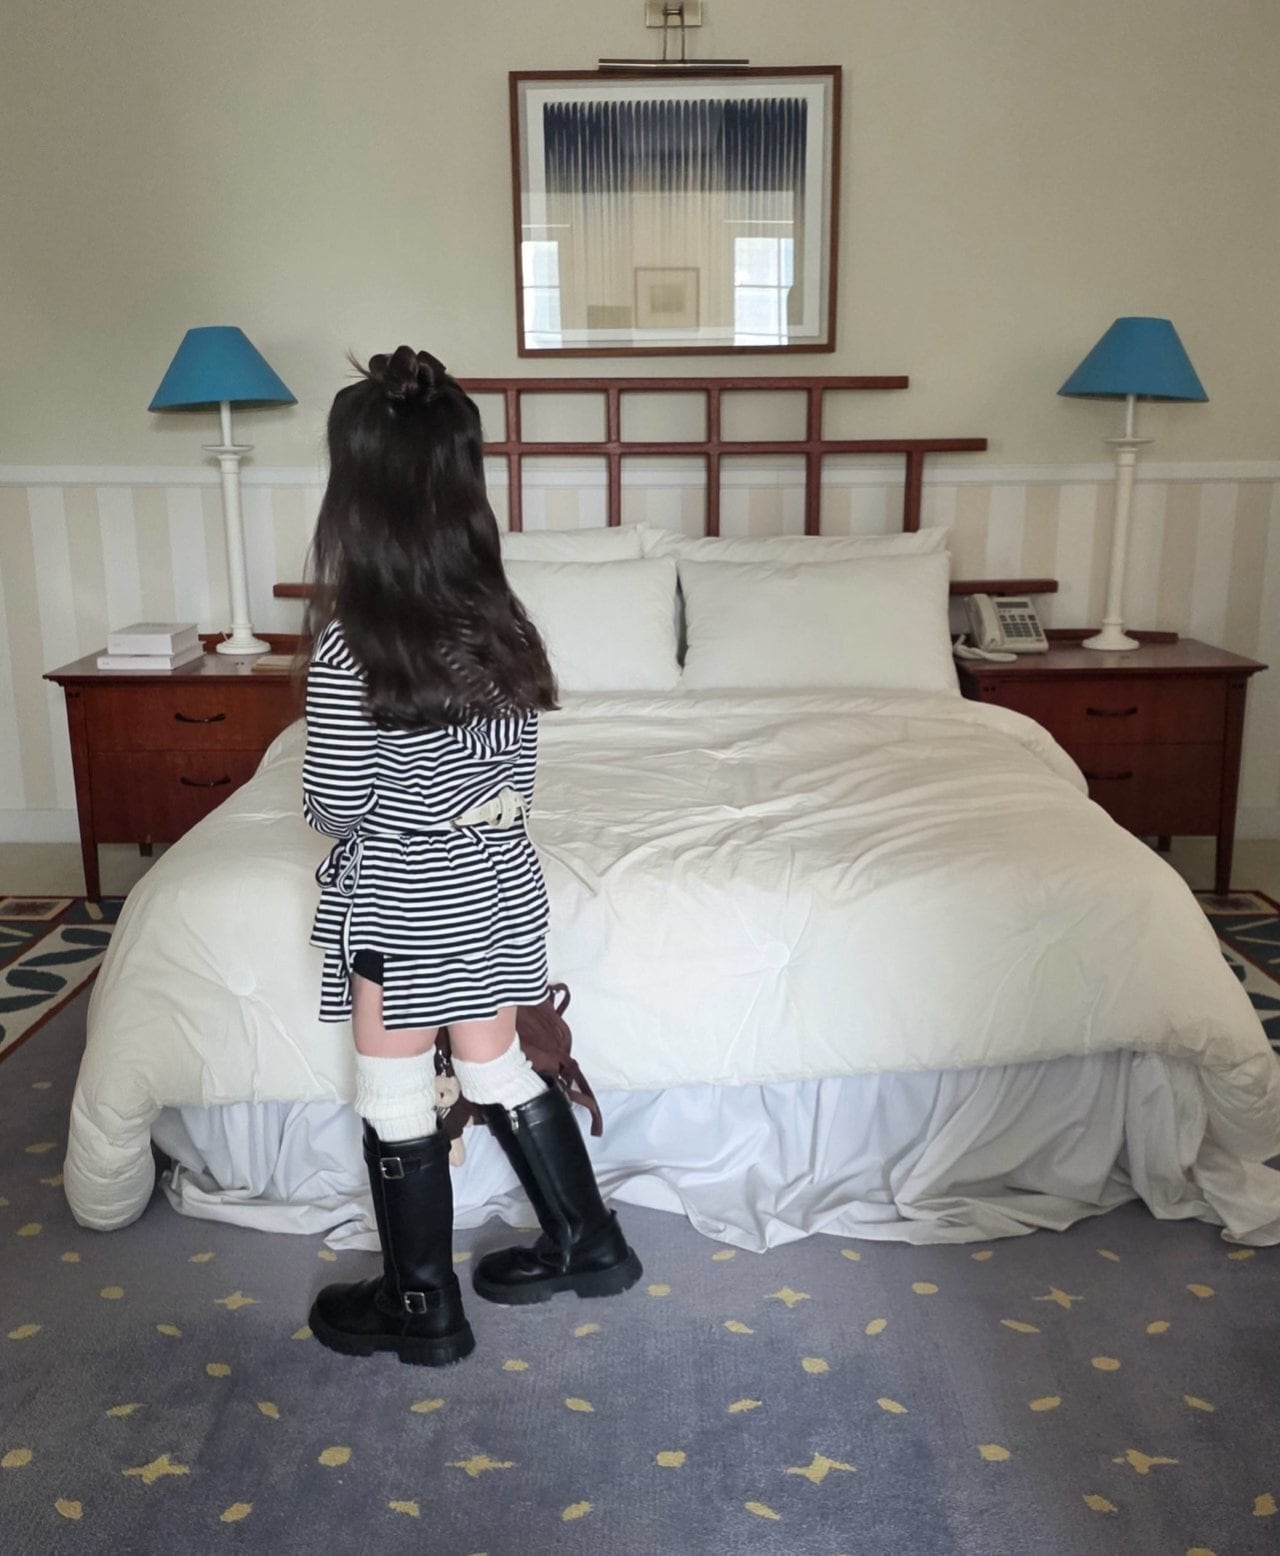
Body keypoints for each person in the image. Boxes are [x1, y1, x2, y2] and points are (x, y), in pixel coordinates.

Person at [300, 346, 641, 1367]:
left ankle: (421, 1302)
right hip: (496, 877)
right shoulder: (502, 625)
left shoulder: (349, 645)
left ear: (357, 499)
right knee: (493, 1061)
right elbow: (514, 777)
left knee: (394, 1090)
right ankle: (588, 1240)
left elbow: (334, 806)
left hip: (407, 890)